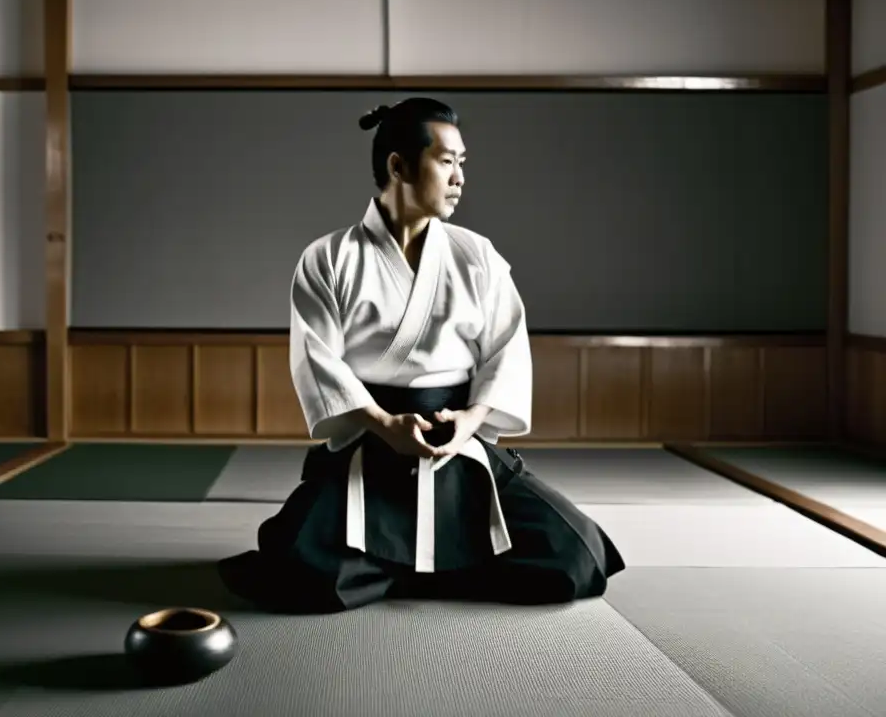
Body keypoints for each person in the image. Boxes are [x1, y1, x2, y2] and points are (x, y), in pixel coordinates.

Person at [218, 97, 625, 613]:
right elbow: (319, 361)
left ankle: (396, 569)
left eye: (462, 164)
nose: (459, 178)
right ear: (398, 166)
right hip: (371, 440)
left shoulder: (477, 256)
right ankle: (447, 562)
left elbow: (506, 350)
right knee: (297, 569)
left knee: (577, 557)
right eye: (446, 161)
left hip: (455, 439)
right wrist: (386, 425)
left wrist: (472, 418)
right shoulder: (328, 259)